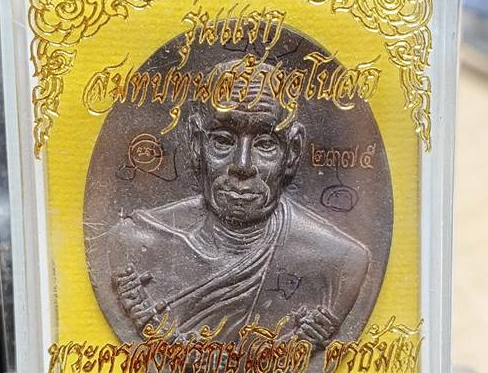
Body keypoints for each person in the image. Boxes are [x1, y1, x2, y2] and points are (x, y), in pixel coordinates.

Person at [108, 65, 369, 349]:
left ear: (292, 152)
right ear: (196, 144)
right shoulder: (136, 240)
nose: (242, 165)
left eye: (265, 144)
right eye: (222, 140)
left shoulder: (340, 264)